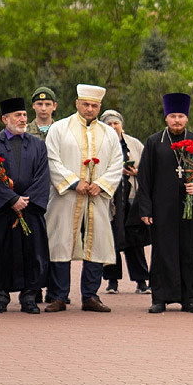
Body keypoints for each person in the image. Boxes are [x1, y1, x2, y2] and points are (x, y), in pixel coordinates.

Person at [135, 93, 193, 314]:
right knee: (163, 252)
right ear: (166, 118)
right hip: (162, 208)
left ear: (187, 119)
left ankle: (191, 299)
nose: (176, 120)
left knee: (192, 252)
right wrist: (145, 208)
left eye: (181, 116)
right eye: (172, 116)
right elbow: (145, 178)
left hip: (191, 210)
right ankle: (160, 297)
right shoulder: (154, 142)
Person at [44, 84, 124, 313]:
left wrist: (101, 184)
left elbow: (116, 163)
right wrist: (72, 181)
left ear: (100, 107)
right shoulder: (59, 129)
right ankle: (59, 296)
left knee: (96, 243)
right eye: (86, 104)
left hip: (97, 197)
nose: (90, 109)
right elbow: (51, 159)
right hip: (66, 196)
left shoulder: (109, 133)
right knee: (61, 242)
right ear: (77, 103)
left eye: (94, 105)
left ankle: (90, 295)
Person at [0, 98, 50, 314]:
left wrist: (25, 201)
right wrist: (11, 200)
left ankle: (29, 297)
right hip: (4, 212)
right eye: (17, 115)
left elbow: (42, 176)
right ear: (5, 119)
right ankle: (0, 297)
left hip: (30, 210)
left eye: (24, 115)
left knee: (32, 253)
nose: (22, 119)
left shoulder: (37, 145)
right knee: (1, 253)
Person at [100, 110, 150, 295]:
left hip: (131, 197)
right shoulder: (100, 144)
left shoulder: (135, 143)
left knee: (134, 240)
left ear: (121, 124)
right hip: (110, 199)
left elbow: (147, 167)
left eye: (116, 123)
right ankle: (112, 281)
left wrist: (136, 172)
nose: (113, 127)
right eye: (109, 124)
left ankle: (141, 280)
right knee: (110, 239)